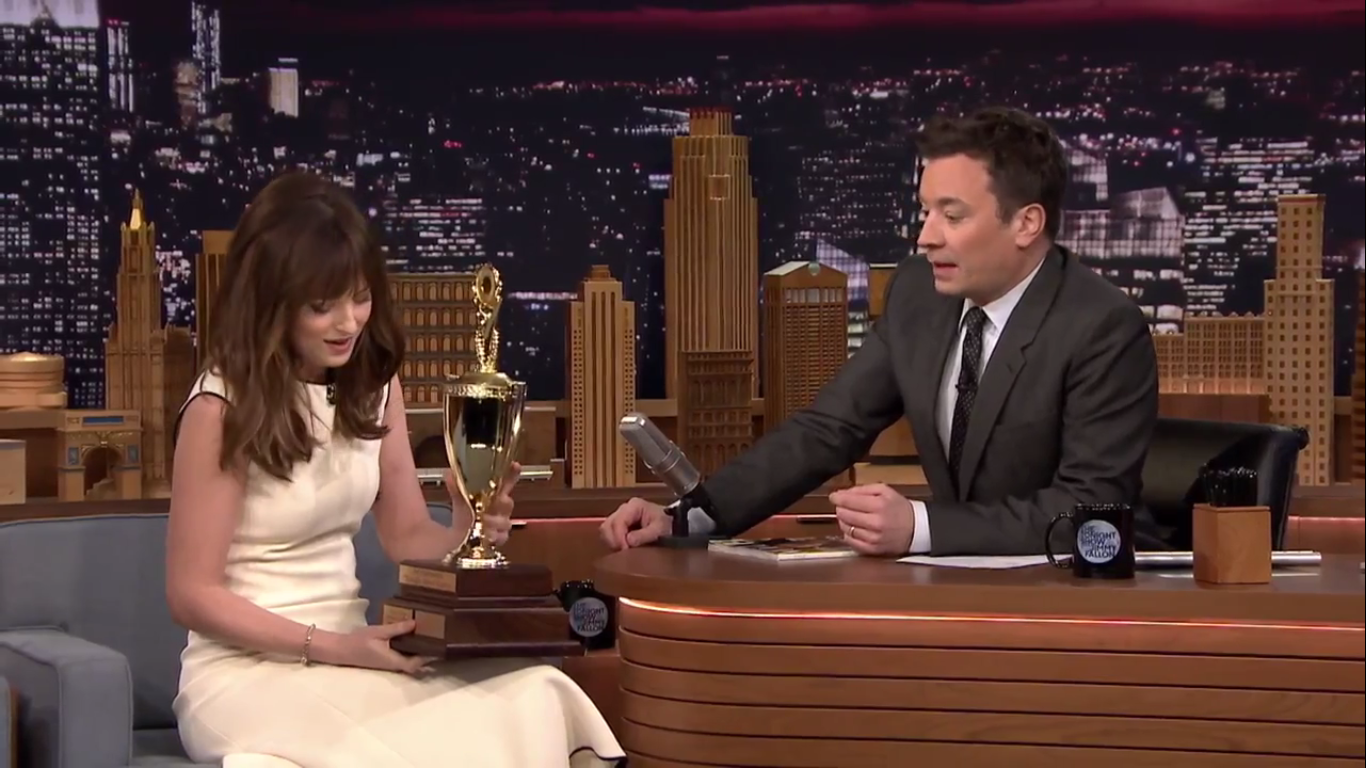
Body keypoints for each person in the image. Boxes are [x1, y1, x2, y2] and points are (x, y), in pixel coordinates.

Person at [167, 171, 624, 768]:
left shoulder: (374, 387)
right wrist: (334, 647)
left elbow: (407, 536)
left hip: (355, 652)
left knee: (535, 692)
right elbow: (191, 595)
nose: (349, 322)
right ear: (271, 304)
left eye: (360, 297)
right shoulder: (219, 407)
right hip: (244, 676)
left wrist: (466, 526)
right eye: (322, 306)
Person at [603, 106, 1161, 557]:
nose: (926, 237)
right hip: (958, 592)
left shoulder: (1101, 327)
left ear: (1026, 223)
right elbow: (829, 428)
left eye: (952, 216)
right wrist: (692, 516)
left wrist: (920, 527)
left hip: (1077, 602)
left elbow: (1091, 511)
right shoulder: (919, 292)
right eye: (925, 212)